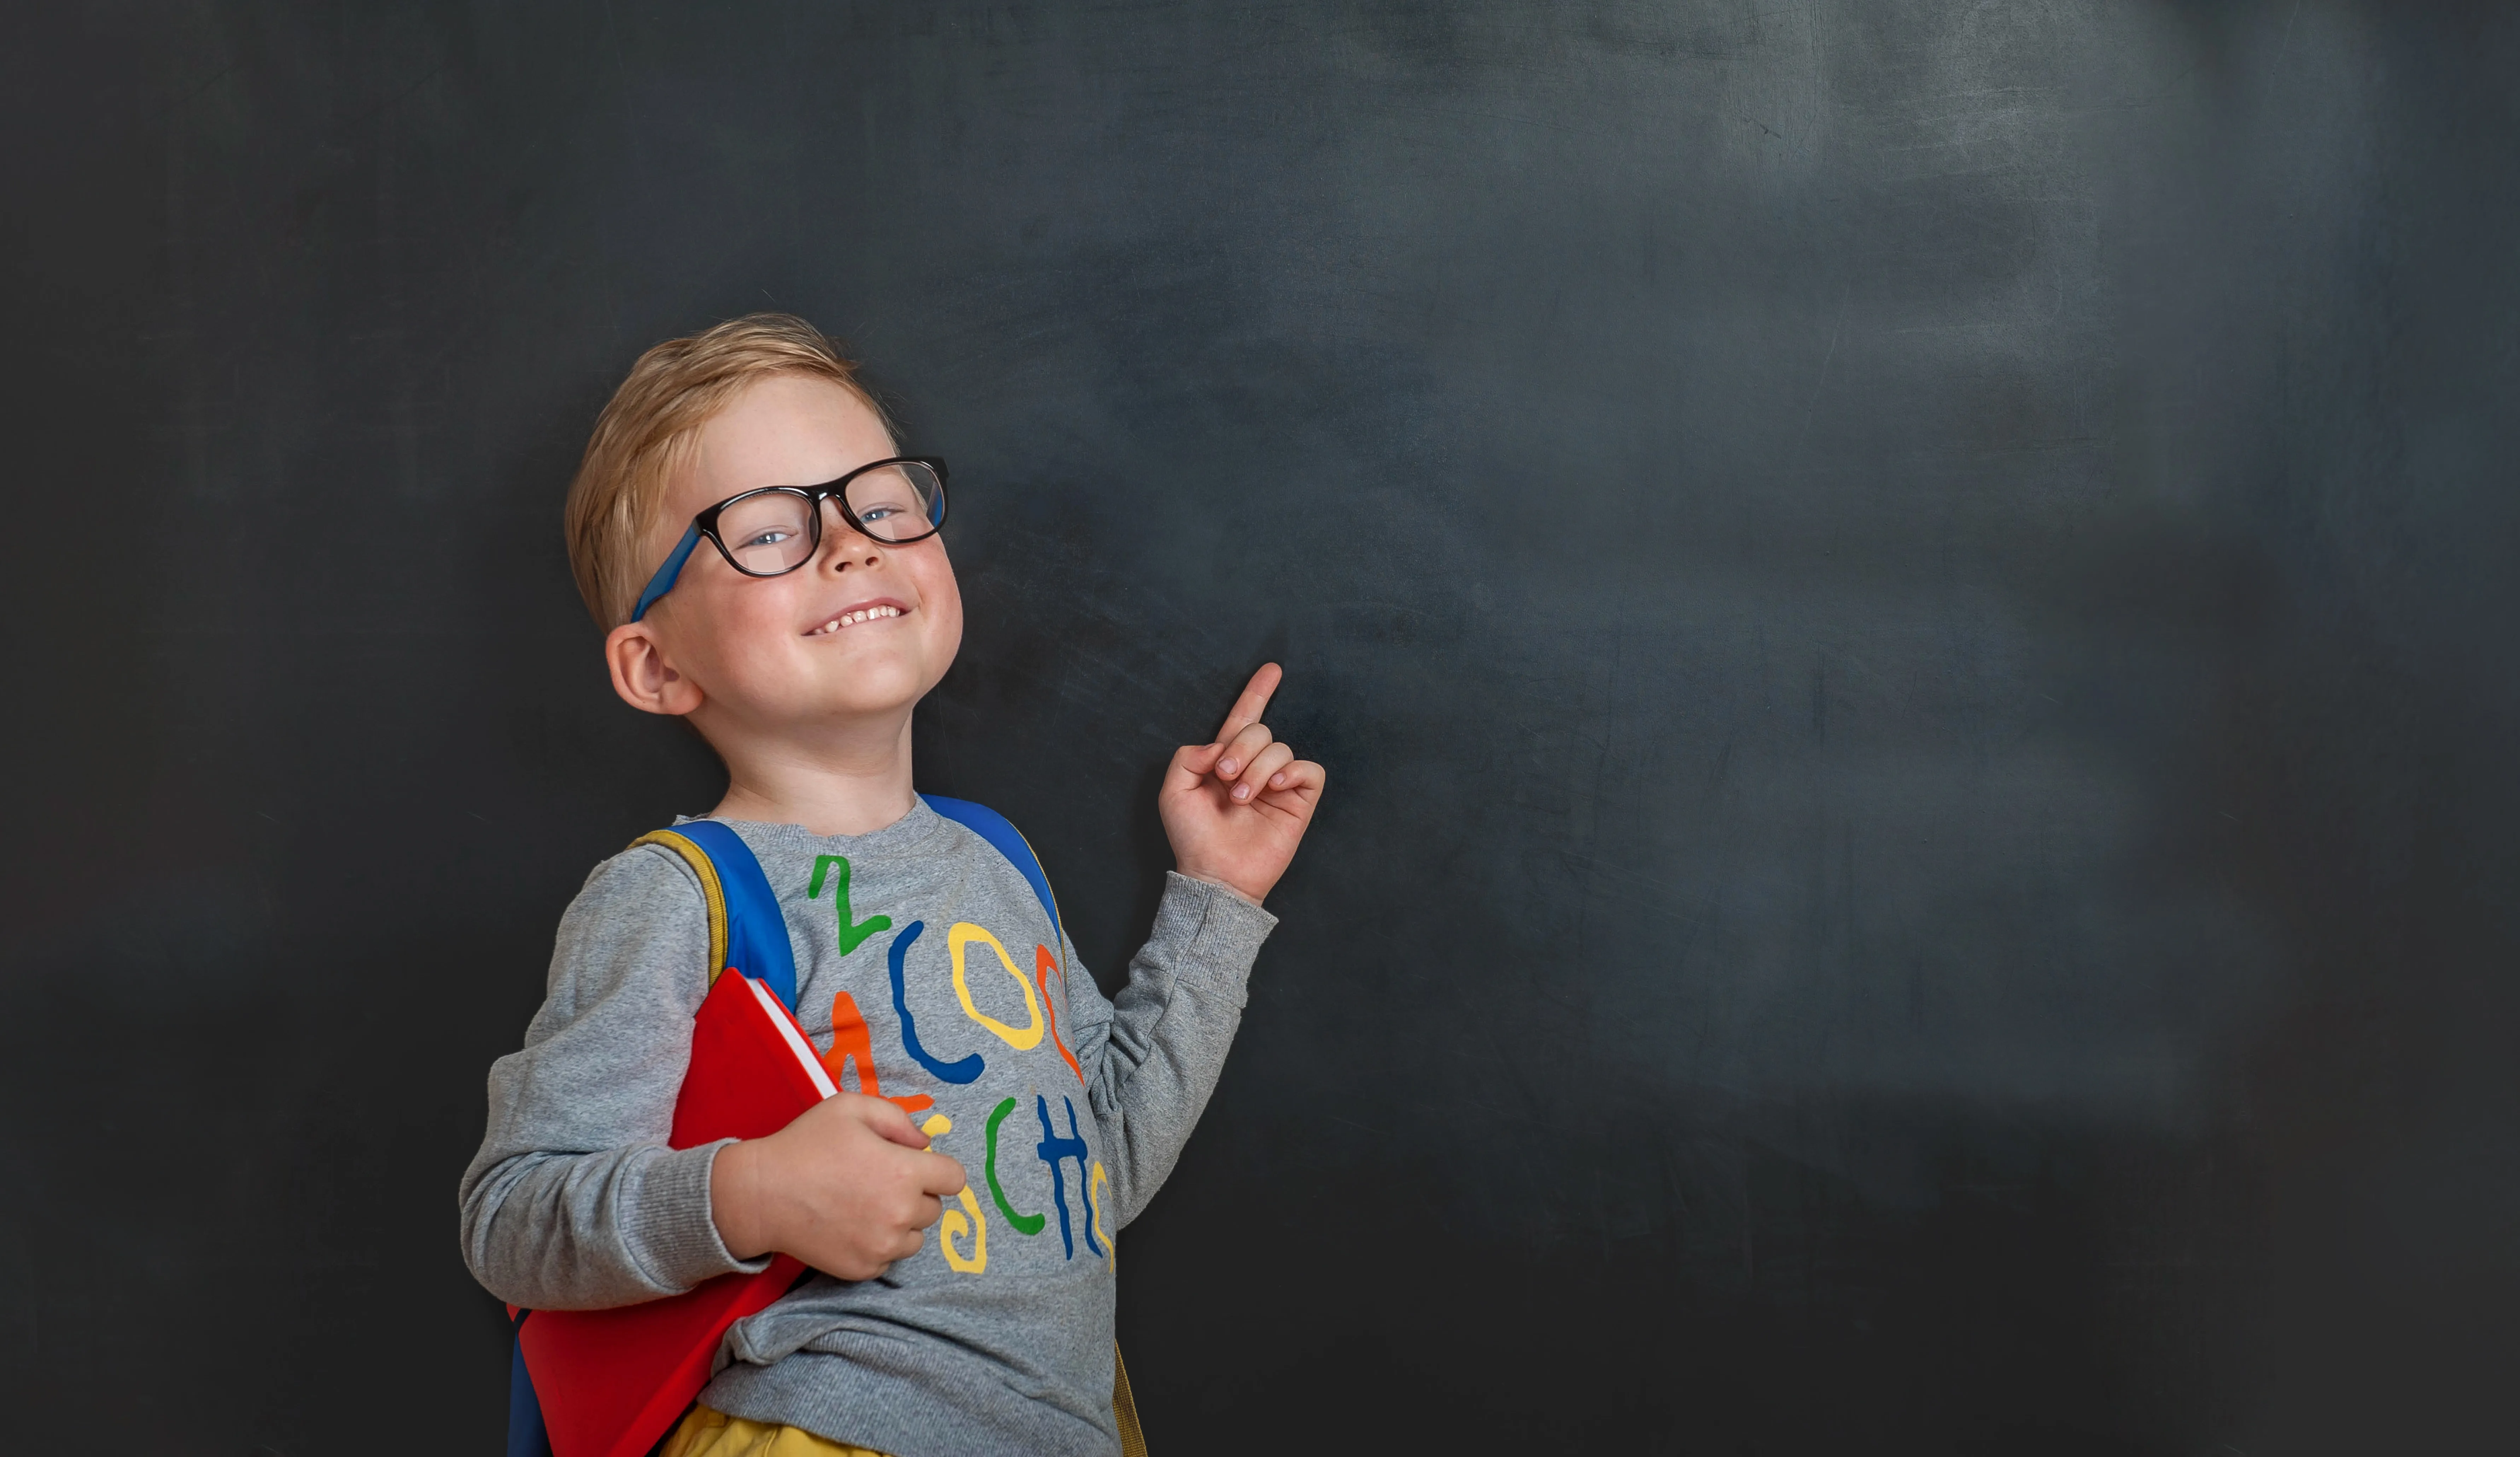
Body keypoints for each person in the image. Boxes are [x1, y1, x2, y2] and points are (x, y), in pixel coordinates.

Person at [459, 314, 1324, 1457]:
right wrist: (751, 1196)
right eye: (769, 529)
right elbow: (513, 1218)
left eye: (882, 502)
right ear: (657, 665)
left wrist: (1217, 896)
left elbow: (1099, 1171)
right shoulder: (675, 896)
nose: (850, 544)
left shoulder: (994, 859)